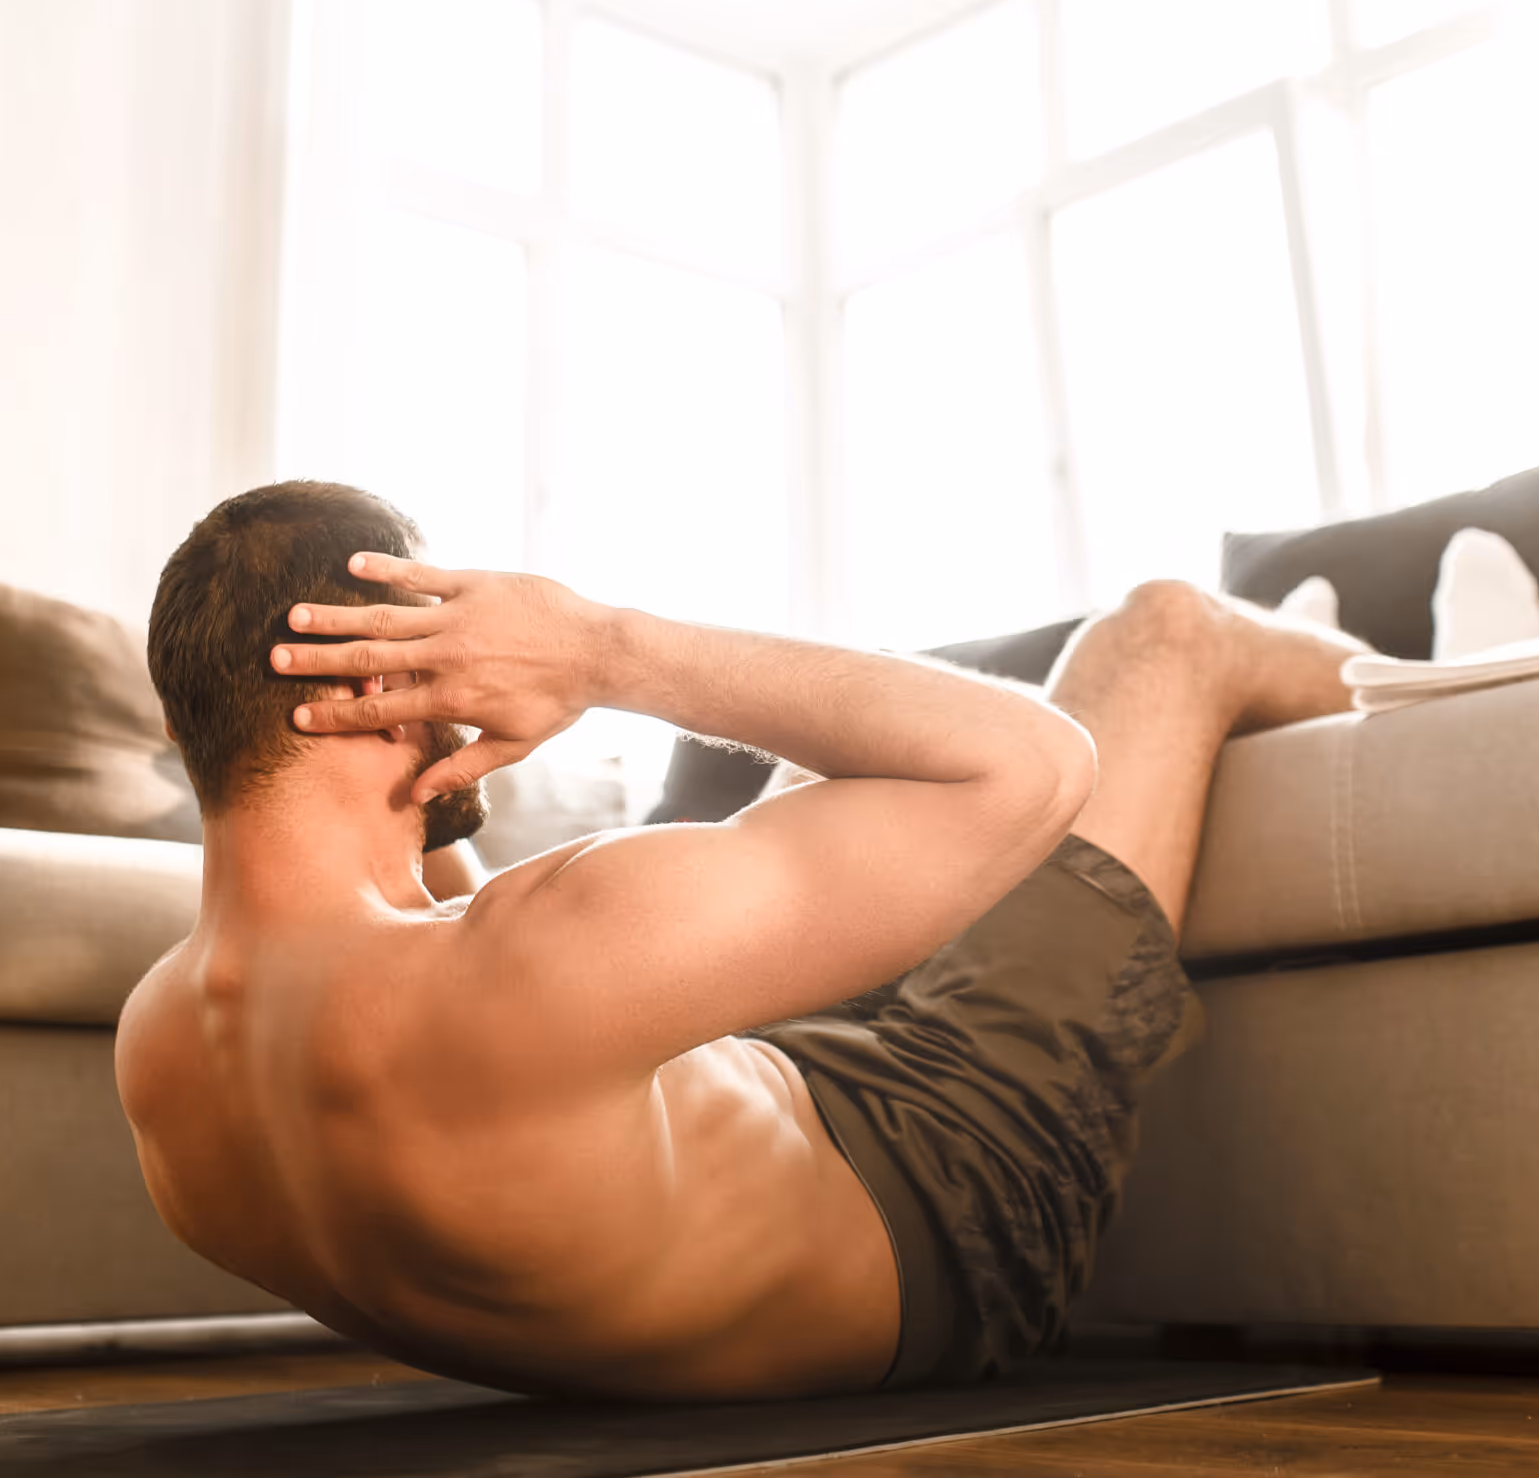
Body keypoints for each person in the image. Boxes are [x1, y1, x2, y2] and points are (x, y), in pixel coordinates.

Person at [117, 480, 1362, 1402]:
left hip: (768, 1115)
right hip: (952, 1185)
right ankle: (1404, 676)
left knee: (783, 792)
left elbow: (432, 1000)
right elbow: (1040, 763)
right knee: (1163, 632)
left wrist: (421, 776)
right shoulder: (540, 961)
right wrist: (593, 647)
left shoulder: (161, 1046)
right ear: (386, 684)